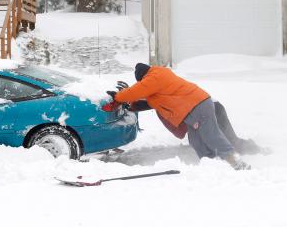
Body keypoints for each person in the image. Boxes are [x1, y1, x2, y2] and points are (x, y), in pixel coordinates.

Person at [109, 63, 254, 170]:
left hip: (198, 106)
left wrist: (119, 96)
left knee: (212, 136)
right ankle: (212, 165)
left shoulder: (156, 76)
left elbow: (138, 90)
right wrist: (130, 104)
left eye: (141, 81)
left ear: (143, 77)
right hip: (193, 111)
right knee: (196, 141)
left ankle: (238, 163)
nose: (142, 83)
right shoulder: (158, 84)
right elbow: (147, 102)